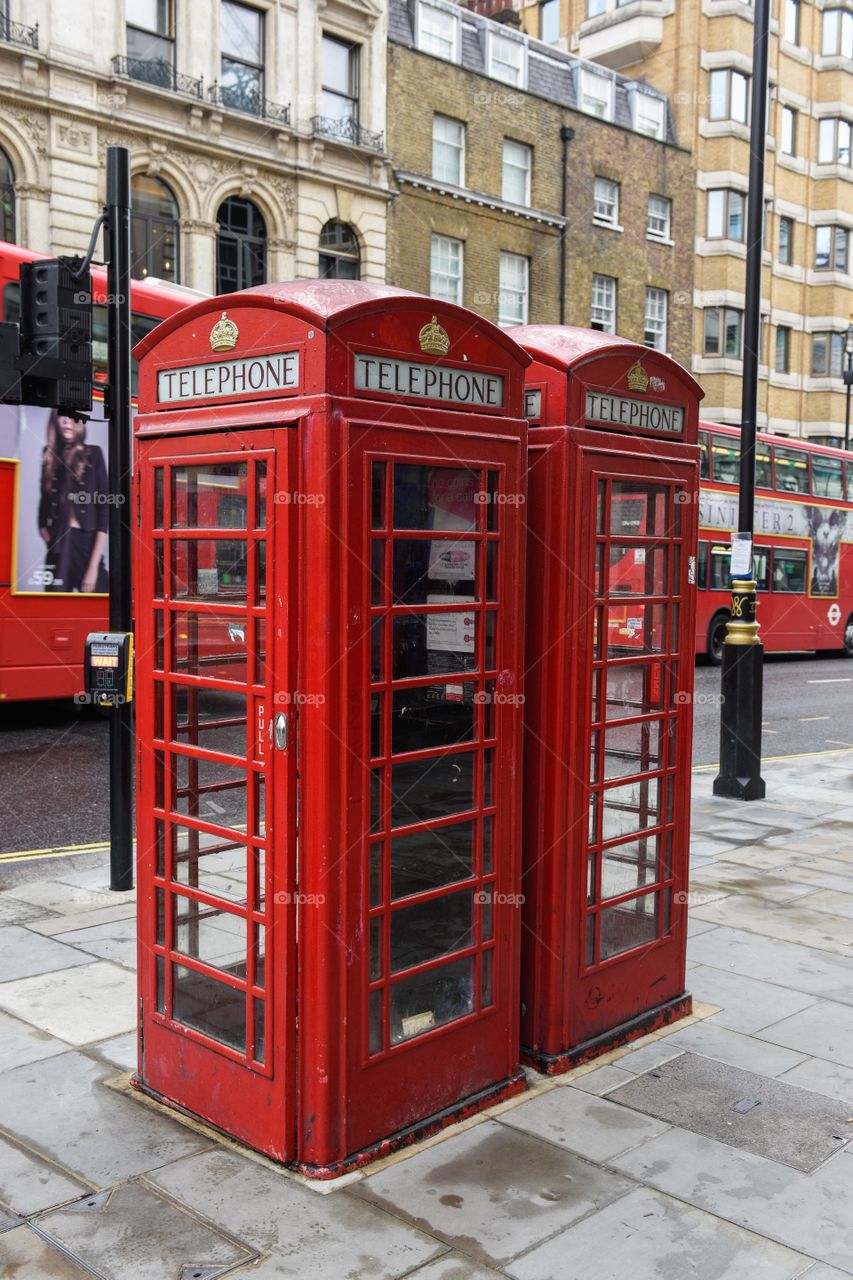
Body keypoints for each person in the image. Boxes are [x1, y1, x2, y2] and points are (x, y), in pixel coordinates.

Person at [38, 408, 108, 593]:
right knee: (55, 611)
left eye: (72, 417)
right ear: (55, 421)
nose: (67, 421)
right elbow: (42, 514)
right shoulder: (48, 456)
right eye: (62, 416)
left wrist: (93, 568)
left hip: (87, 546)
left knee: (101, 607)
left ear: (79, 423)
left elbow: (104, 514)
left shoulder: (94, 454)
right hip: (59, 547)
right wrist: (51, 543)